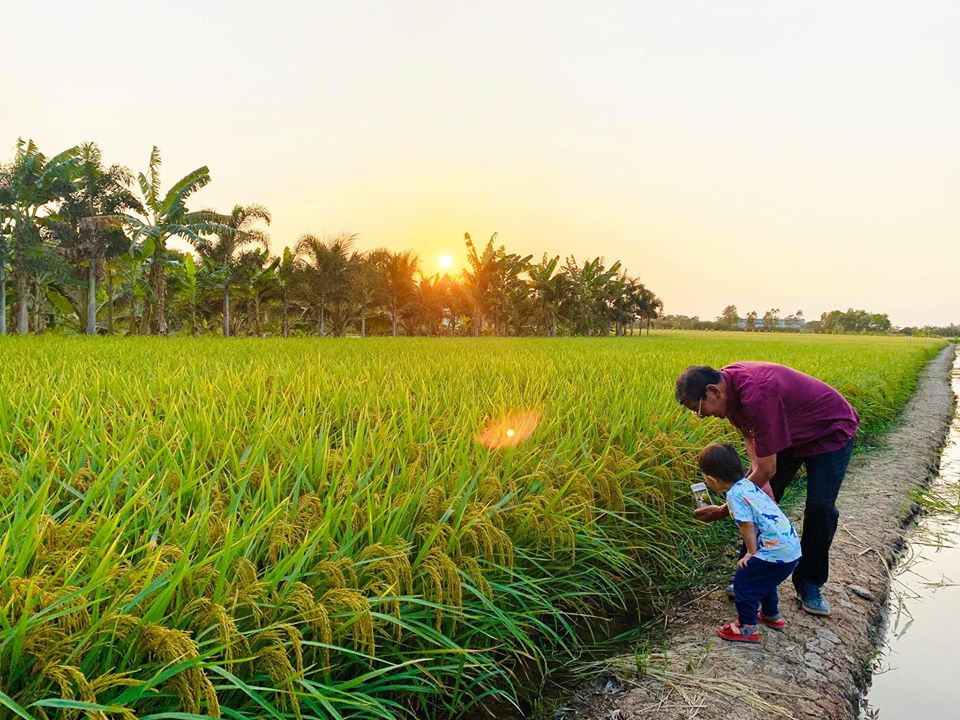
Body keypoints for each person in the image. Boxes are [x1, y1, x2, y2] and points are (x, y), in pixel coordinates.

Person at [675, 362, 859, 616]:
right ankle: (751, 572)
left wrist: (725, 509)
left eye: (698, 409)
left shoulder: (755, 393)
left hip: (829, 431)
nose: (701, 415)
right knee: (759, 496)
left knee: (820, 508)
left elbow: (767, 469)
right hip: (791, 433)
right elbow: (750, 436)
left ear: (713, 392)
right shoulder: (728, 389)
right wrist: (757, 479)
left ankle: (810, 584)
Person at [698, 443, 801, 642]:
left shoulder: (734, 495)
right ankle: (771, 615)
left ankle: (747, 627)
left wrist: (751, 552)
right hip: (790, 549)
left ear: (711, 479)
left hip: (775, 551)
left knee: (744, 581)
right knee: (763, 578)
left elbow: (747, 525)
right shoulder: (748, 485)